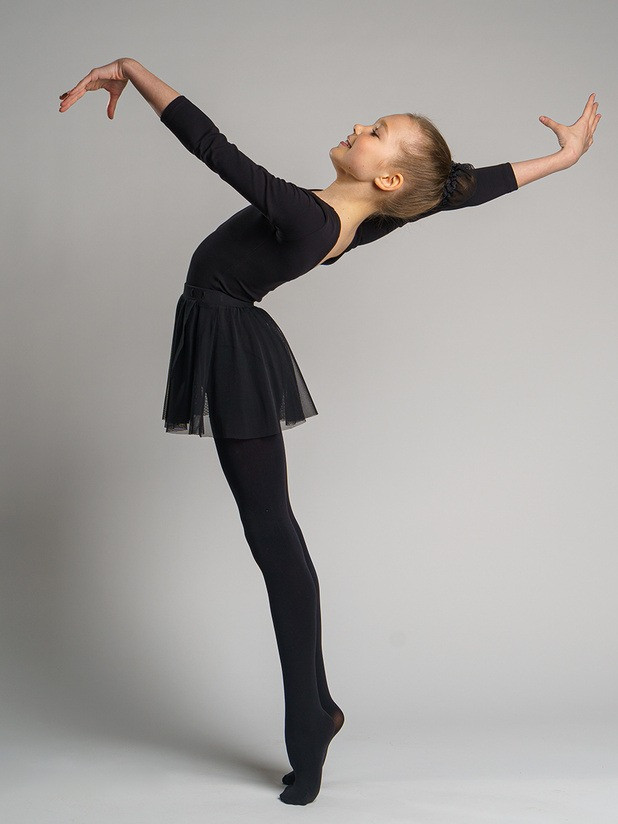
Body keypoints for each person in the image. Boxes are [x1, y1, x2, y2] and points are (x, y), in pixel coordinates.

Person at [58, 59, 601, 805]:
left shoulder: (312, 219)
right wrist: (562, 159)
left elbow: (212, 146)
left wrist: (131, 68)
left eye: (375, 131)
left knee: (273, 536)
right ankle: (315, 711)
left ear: (386, 179)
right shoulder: (366, 217)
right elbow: (457, 190)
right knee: (273, 533)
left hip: (232, 346)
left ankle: (309, 726)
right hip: (227, 335)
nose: (358, 127)